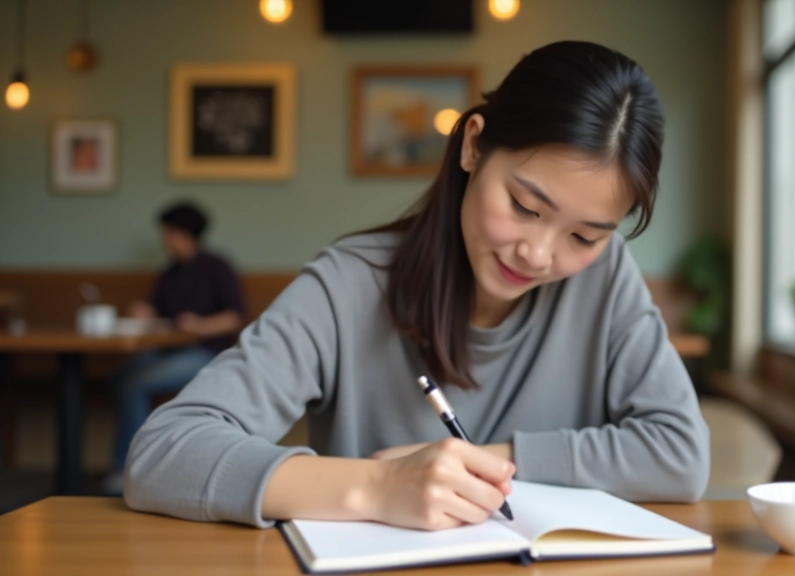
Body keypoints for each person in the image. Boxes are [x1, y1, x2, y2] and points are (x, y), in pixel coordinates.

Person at [124, 41, 710, 529]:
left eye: (584, 236)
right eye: (525, 206)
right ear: (474, 145)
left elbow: (681, 455)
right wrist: (377, 486)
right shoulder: (349, 284)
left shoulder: (606, 281)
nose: (537, 254)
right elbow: (163, 453)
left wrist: (486, 462)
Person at [102, 202, 245, 494]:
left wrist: (200, 325)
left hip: (207, 353)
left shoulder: (216, 267)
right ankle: (133, 461)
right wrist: (146, 314)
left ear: (182, 233)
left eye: (167, 231)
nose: (163, 238)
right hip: (168, 350)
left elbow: (235, 316)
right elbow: (161, 315)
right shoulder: (169, 272)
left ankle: (127, 469)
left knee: (133, 385)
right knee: (120, 376)